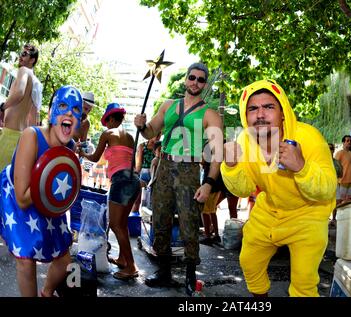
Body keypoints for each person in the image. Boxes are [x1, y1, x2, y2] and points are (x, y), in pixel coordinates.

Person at [221, 79, 336, 297]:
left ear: (282, 112)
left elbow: (328, 189)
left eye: (268, 107)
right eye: (253, 108)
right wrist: (231, 166)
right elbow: (243, 190)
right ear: (246, 117)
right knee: (249, 261)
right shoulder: (244, 141)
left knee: (304, 282)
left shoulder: (309, 137)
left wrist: (302, 167)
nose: (260, 114)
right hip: (270, 210)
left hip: (308, 214)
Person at [134, 62, 223, 296]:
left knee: (189, 222)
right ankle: (163, 272)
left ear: (204, 85)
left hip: (189, 169)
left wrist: (209, 183)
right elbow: (151, 132)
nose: (195, 82)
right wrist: (142, 126)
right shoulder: (168, 106)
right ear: (186, 79)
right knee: (160, 218)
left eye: (201, 79)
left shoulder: (210, 114)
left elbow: (218, 154)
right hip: (163, 165)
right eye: (192, 77)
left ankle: (190, 276)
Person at [0, 85, 81, 297]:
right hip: (18, 196)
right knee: (26, 259)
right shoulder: (31, 136)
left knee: (64, 260)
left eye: (76, 109)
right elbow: (22, 199)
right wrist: (49, 182)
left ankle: (46, 293)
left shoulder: (69, 147)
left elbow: (65, 191)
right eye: (62, 106)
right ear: (50, 113)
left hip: (46, 201)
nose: (69, 113)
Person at [80, 103, 141, 281]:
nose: (106, 125)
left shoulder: (108, 134)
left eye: (107, 121)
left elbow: (95, 157)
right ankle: (123, 259)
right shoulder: (129, 136)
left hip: (121, 181)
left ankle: (131, 266)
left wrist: (81, 152)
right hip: (133, 180)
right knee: (122, 224)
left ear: (112, 119)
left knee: (115, 225)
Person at [0, 43, 42, 171]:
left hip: (9, 136)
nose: (20, 57)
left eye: (24, 54)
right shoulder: (36, 83)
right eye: (21, 53)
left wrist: (2, 107)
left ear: (32, 60)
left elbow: (19, 93)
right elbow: (33, 118)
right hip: (18, 138)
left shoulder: (24, 71)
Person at [334, 135, 351, 203]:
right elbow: (335, 166)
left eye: (350, 140)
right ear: (343, 142)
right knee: (341, 202)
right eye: (347, 141)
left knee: (350, 201)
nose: (349, 142)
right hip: (342, 181)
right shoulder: (339, 153)